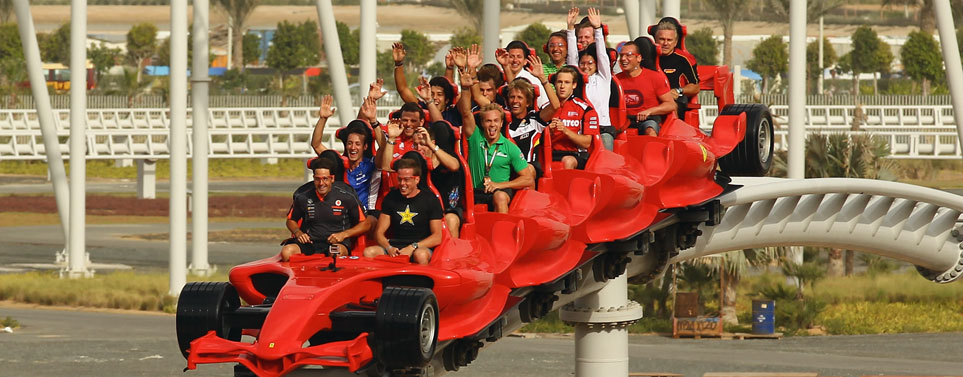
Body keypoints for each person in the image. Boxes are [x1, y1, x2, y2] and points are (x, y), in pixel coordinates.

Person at [458, 65, 536, 213]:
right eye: (488, 121)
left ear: (501, 123)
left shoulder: (510, 147)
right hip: (476, 191)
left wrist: (499, 185)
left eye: (495, 121)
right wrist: (465, 88)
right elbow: (466, 112)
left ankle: (504, 233)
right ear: (482, 123)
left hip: (499, 191)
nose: (492, 125)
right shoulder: (475, 137)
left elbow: (528, 179)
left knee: (500, 197)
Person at [281, 158, 369, 262]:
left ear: (332, 178)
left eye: (325, 179)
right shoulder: (302, 196)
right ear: (313, 178)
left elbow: (366, 224)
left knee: (335, 252)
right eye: (318, 179)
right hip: (310, 243)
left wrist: (344, 235)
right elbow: (291, 220)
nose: (321, 183)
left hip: (336, 243)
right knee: (286, 252)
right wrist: (298, 233)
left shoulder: (346, 196)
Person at [363, 157, 443, 265]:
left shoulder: (430, 199)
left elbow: (437, 237)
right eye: (399, 179)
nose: (402, 183)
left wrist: (412, 247)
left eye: (407, 180)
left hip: (420, 246)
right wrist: (388, 247)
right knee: (369, 252)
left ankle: (419, 281)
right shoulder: (391, 198)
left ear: (417, 179)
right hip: (395, 246)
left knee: (420, 255)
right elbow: (379, 233)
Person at [311, 94, 380, 211]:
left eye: (357, 144)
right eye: (350, 143)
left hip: (366, 214)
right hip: (342, 215)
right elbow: (316, 145)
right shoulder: (339, 162)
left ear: (365, 147)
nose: (353, 147)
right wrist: (323, 119)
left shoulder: (372, 163)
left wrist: (373, 120)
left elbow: (384, 150)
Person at [566, 7, 613, 150]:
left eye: (590, 63)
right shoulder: (577, 81)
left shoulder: (603, 78)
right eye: (583, 63)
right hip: (583, 130)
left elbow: (602, 56)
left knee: (604, 159)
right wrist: (570, 29)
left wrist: (598, 30)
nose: (586, 66)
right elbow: (572, 60)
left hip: (602, 129)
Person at [615, 38, 676, 136]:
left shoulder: (654, 77)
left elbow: (671, 105)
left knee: (650, 130)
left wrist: (649, 111)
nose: (623, 59)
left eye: (628, 55)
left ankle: (654, 150)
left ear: (638, 58)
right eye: (621, 55)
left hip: (648, 120)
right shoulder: (616, 80)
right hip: (625, 121)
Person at [392, 42, 462, 126]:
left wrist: (456, 68)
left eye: (439, 94)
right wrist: (398, 64)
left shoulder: (453, 113)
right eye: (432, 94)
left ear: (447, 99)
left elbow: (459, 91)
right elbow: (403, 90)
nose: (435, 98)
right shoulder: (422, 109)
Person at [548, 65, 599, 169]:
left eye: (567, 82)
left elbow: (586, 143)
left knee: (567, 161)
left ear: (574, 85)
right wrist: (548, 131)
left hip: (576, 155)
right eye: (559, 82)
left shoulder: (586, 109)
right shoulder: (545, 109)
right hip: (549, 152)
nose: (562, 86)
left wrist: (565, 131)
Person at [649, 17, 699, 119]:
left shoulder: (684, 59)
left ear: (675, 42)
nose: (665, 43)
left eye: (669, 40)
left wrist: (678, 91)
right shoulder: (646, 57)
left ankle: (672, 133)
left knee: (671, 107)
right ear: (655, 40)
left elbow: (695, 86)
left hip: (675, 99)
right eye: (662, 39)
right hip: (650, 99)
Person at [496, 40, 550, 110]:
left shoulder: (532, 80)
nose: (515, 60)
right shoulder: (498, 76)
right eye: (511, 56)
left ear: (525, 61)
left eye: (519, 57)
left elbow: (544, 105)